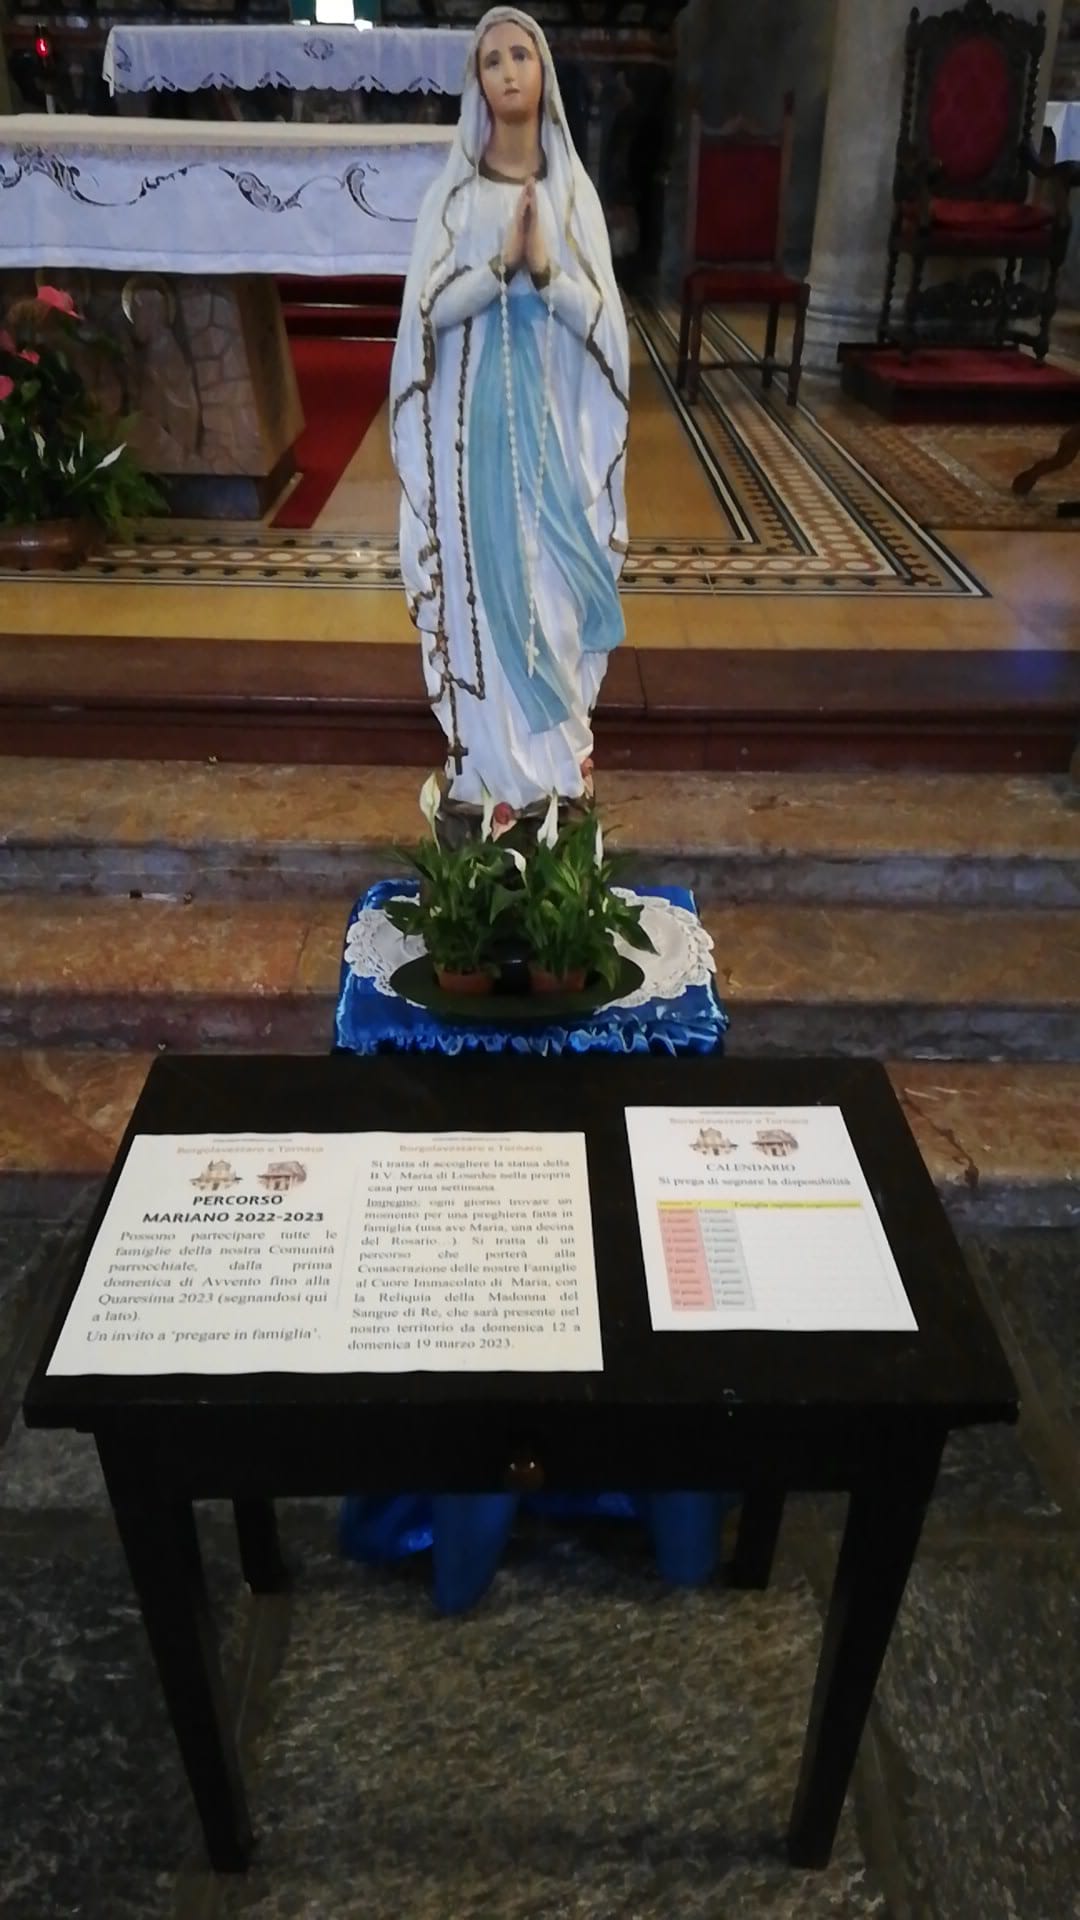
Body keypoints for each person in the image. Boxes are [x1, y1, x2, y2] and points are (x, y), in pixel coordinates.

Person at [390, 6, 630, 817]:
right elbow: (424, 316)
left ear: (543, 71)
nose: (507, 71)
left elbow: (607, 330)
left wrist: (547, 271)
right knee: (482, 593)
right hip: (475, 437)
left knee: (553, 592)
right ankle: (491, 775)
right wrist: (499, 268)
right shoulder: (454, 198)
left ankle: (555, 771)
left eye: (520, 54)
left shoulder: (572, 195)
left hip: (554, 432)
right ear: (478, 83)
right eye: (491, 60)